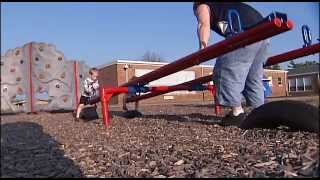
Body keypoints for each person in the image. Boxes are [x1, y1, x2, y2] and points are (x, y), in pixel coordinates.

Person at [193, 2, 270, 126]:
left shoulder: (202, 4)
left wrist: (202, 48)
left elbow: (203, 23)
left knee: (224, 70)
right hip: (265, 33)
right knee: (253, 77)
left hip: (245, 31)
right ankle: (260, 113)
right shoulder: (223, 5)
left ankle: (236, 113)